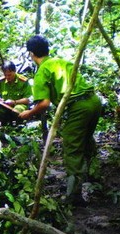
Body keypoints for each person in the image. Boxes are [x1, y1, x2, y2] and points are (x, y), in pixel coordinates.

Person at [19, 35, 102, 205]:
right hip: (94, 102)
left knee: (72, 146)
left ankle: (74, 195)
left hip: (79, 107)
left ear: (31, 54)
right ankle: (95, 176)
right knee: (86, 139)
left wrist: (29, 114)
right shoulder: (60, 61)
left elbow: (44, 103)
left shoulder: (42, 71)